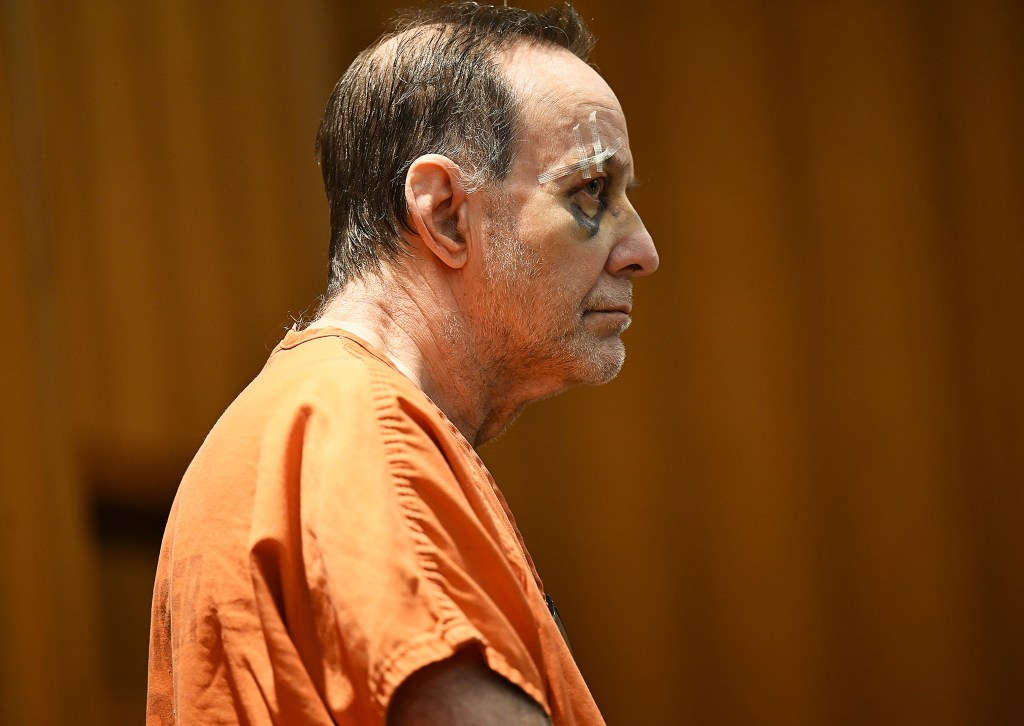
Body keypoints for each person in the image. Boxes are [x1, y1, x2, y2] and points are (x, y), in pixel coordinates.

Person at [146, 2, 658, 724]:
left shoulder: (326, 418)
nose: (642, 251)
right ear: (446, 213)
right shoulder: (358, 430)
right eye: (590, 193)